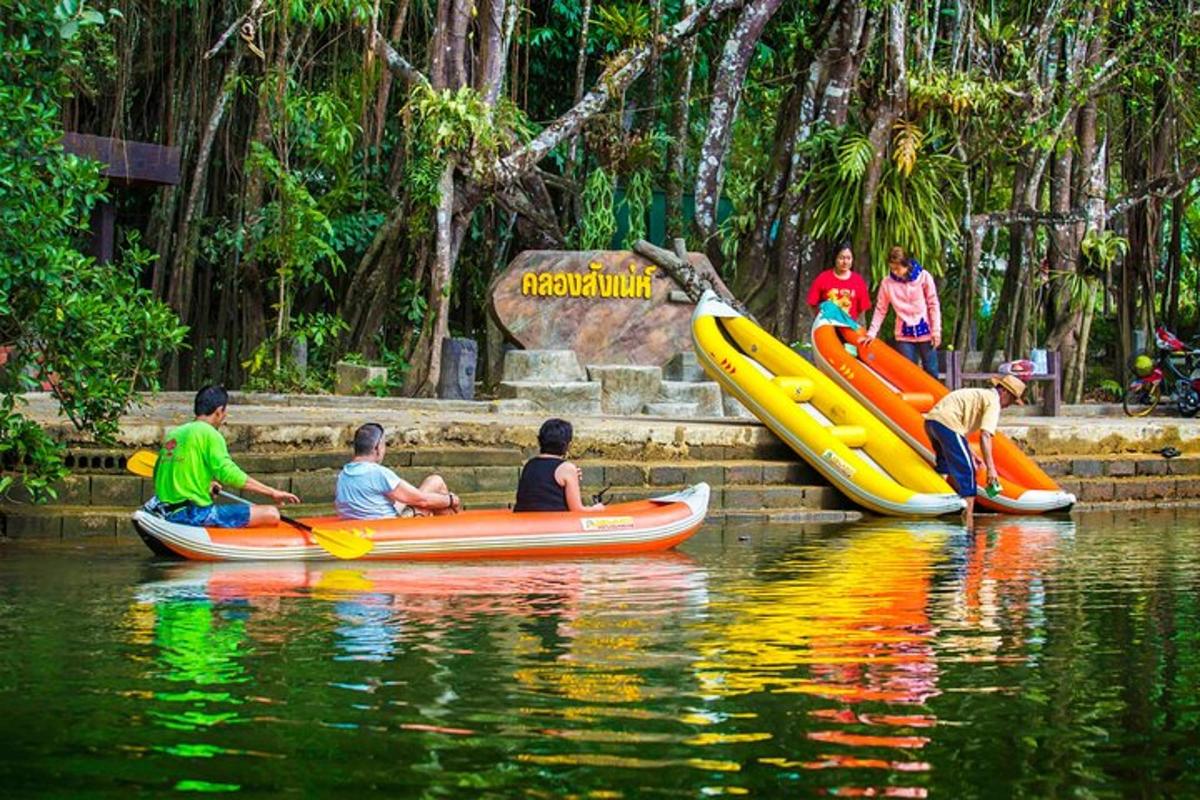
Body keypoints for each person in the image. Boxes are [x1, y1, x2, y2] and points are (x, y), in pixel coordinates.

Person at [150, 385, 300, 527]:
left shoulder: (174, 434)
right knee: (271, 513)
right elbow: (228, 474)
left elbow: (160, 473)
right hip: (193, 513)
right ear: (219, 411)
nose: (224, 416)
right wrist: (272, 492)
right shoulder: (210, 434)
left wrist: (206, 485)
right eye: (224, 411)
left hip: (165, 511)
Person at [923, 375, 1027, 528]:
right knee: (968, 472)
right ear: (1004, 391)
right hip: (948, 424)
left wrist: (972, 454)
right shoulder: (993, 402)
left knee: (945, 468)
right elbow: (985, 436)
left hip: (932, 422)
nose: (1008, 406)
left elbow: (960, 432)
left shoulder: (981, 395)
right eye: (1011, 401)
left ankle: (942, 508)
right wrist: (991, 470)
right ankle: (968, 521)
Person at [335, 423, 461, 519]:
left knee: (430, 485)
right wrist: (451, 500)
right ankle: (455, 533)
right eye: (384, 445)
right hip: (391, 528)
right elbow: (422, 501)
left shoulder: (343, 475)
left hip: (364, 525)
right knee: (436, 482)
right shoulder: (378, 473)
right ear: (377, 448)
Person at [862, 246, 942, 377]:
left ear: (907, 264)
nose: (895, 272)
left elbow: (933, 304)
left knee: (931, 370)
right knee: (909, 373)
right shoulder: (887, 283)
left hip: (926, 332)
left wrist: (936, 331)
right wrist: (871, 333)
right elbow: (881, 309)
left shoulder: (923, 277)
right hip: (904, 335)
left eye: (897, 268)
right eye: (892, 268)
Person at [514, 418, 604, 512]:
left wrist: (571, 476)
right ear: (567, 444)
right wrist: (596, 508)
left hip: (526, 522)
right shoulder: (567, 468)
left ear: (540, 440)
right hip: (554, 522)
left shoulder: (529, 465)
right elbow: (577, 510)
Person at [806, 242, 872, 322]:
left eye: (848, 258)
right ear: (835, 258)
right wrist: (818, 320)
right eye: (841, 258)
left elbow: (862, 308)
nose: (845, 262)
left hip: (849, 327)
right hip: (826, 326)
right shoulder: (823, 278)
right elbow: (811, 303)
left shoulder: (858, 281)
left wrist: (853, 322)